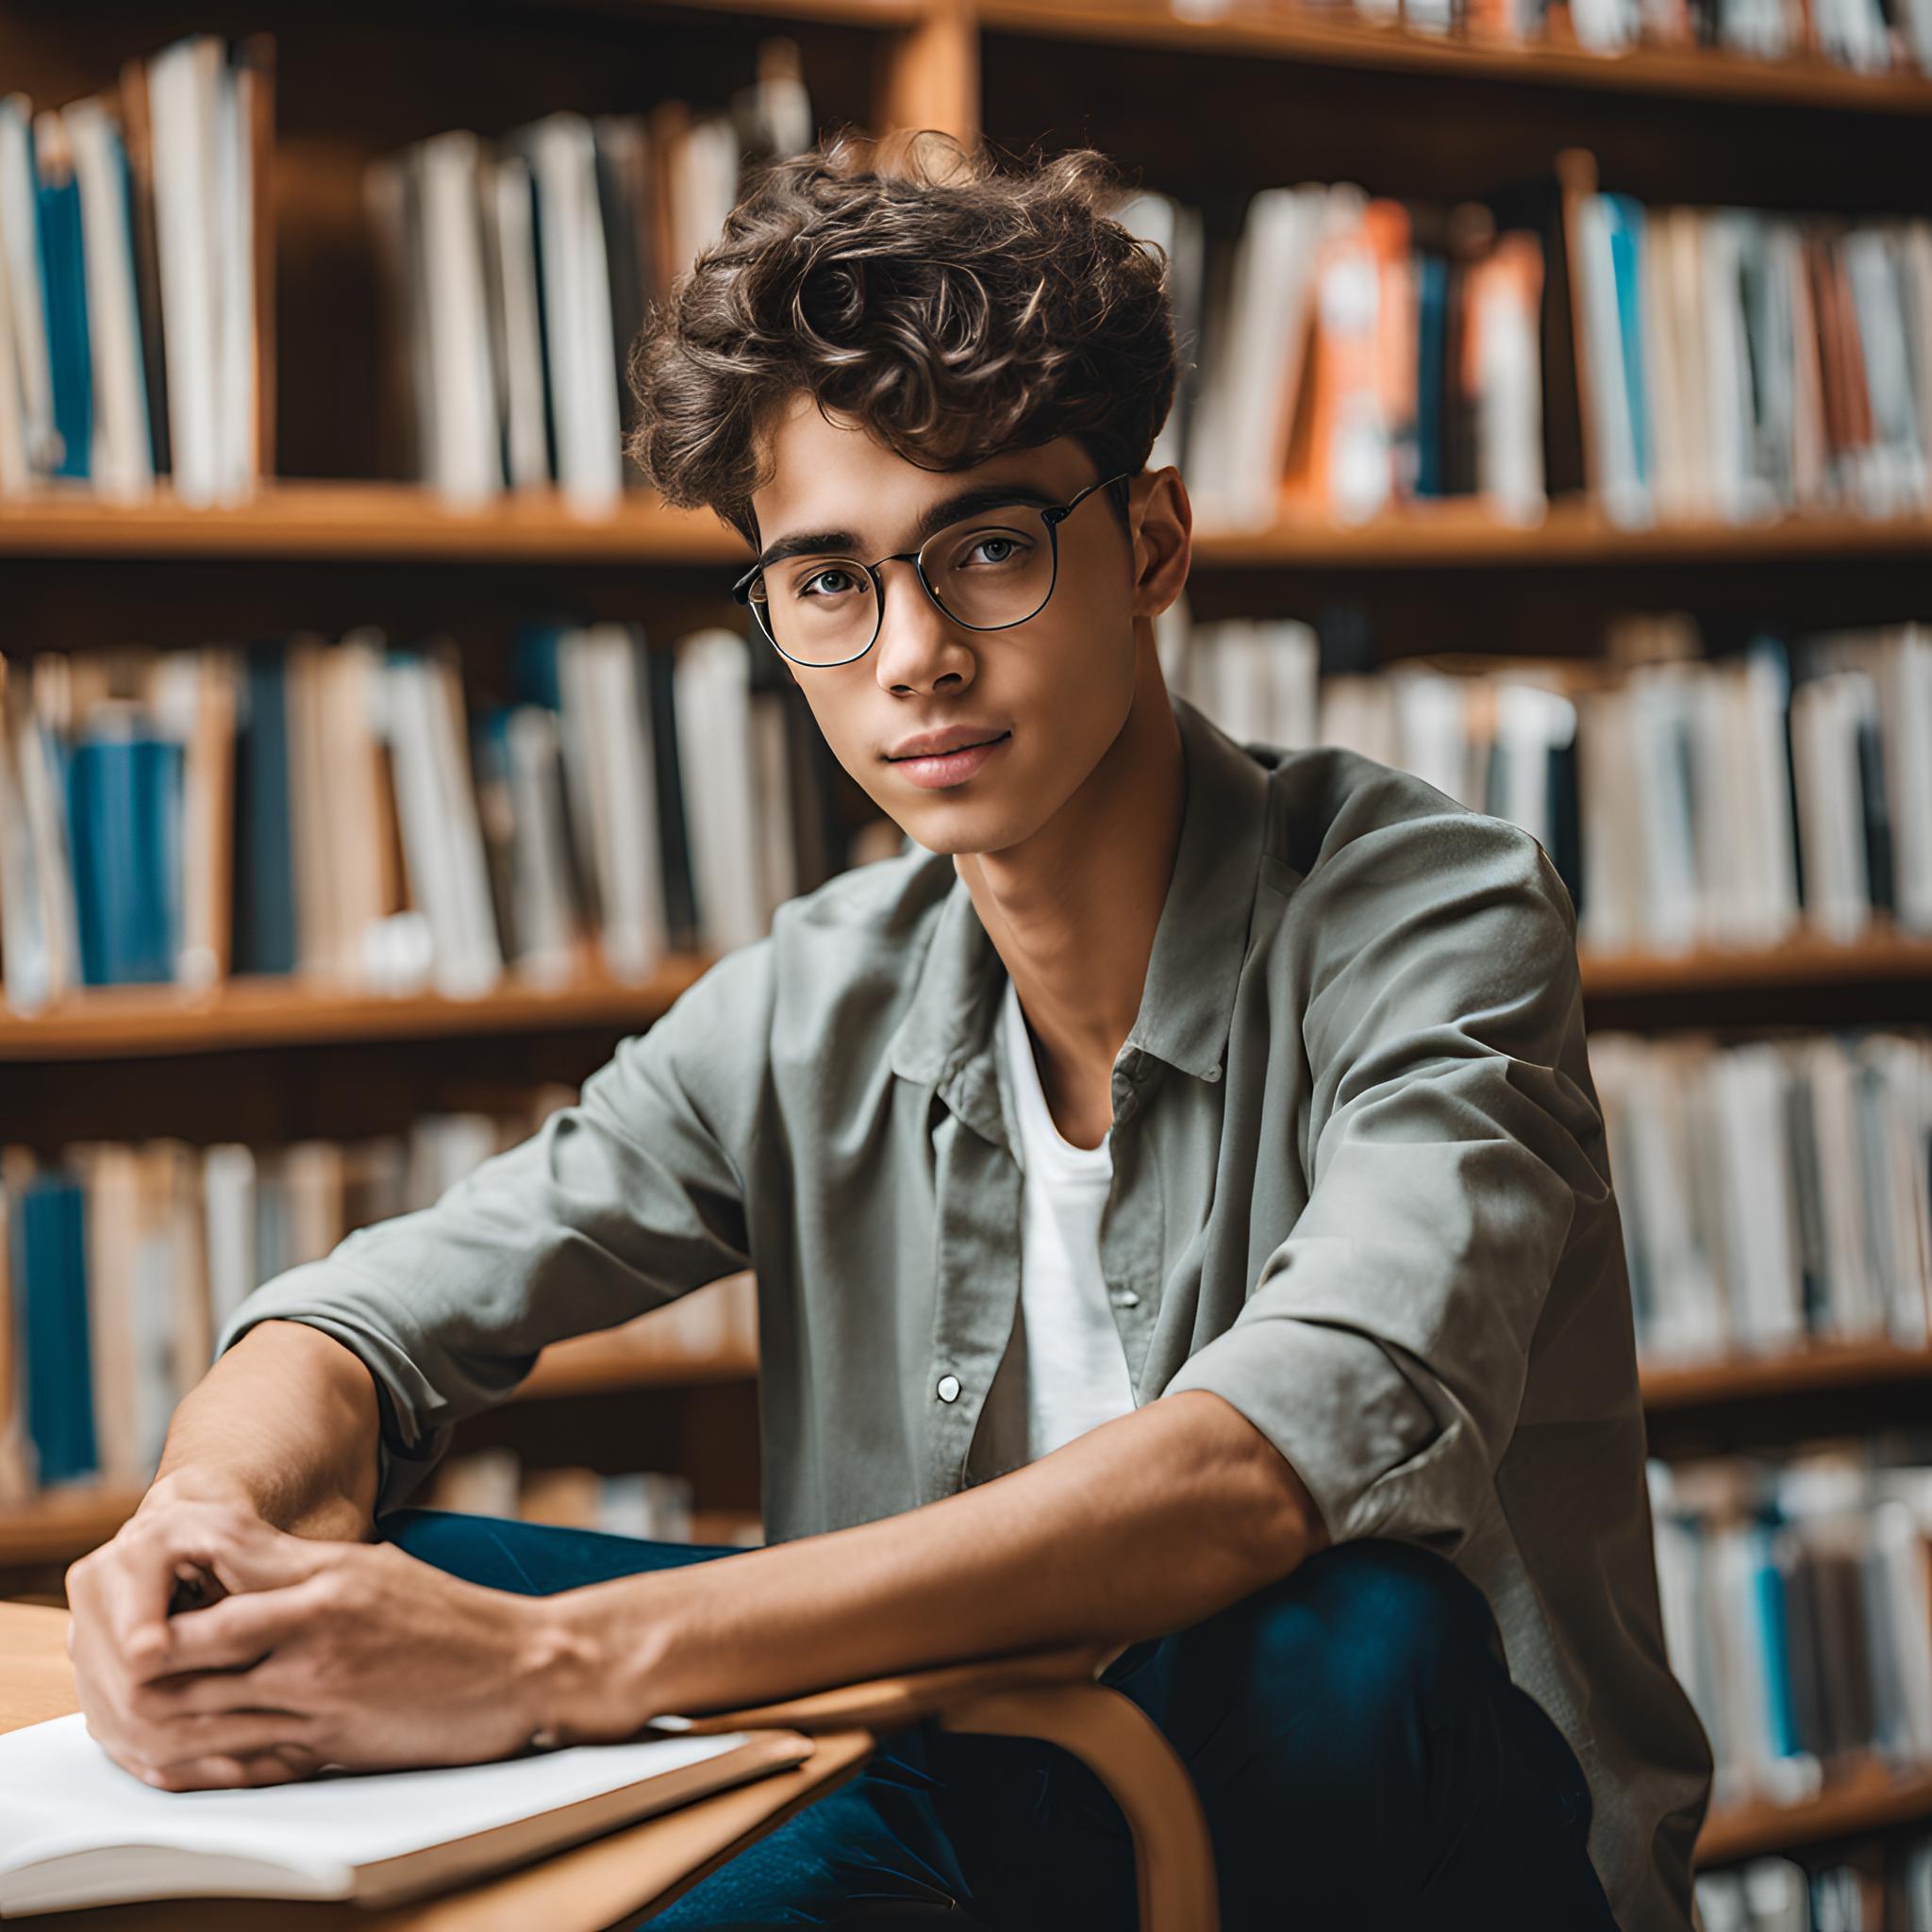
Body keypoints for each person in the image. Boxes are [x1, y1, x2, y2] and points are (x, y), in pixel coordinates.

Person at [63, 128, 1712, 1930]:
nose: (911, 652)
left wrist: (550, 1664)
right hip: (977, 1793)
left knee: (1356, 1635)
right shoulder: (823, 990)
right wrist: (198, 1531)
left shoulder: (1427, 909)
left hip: (1385, 1829)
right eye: (830, 582)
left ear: (1152, 543)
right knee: (356, 1582)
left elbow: (1269, 1464)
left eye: (986, 547)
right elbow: (377, 1310)